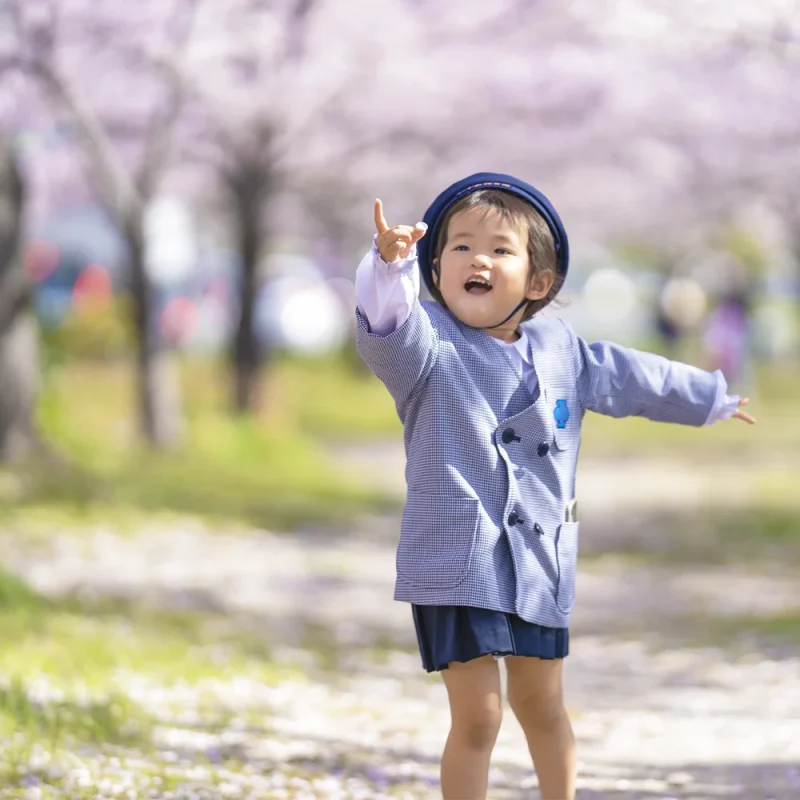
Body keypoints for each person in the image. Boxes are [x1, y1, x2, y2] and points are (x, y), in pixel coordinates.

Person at [354, 173, 755, 800]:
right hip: (458, 560)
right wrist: (388, 265)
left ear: (538, 283)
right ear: (435, 270)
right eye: (458, 247)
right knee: (479, 716)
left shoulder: (562, 351)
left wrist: (709, 398)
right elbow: (387, 319)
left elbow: (631, 377)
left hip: (539, 559)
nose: (477, 258)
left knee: (542, 707)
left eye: (499, 249)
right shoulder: (426, 347)